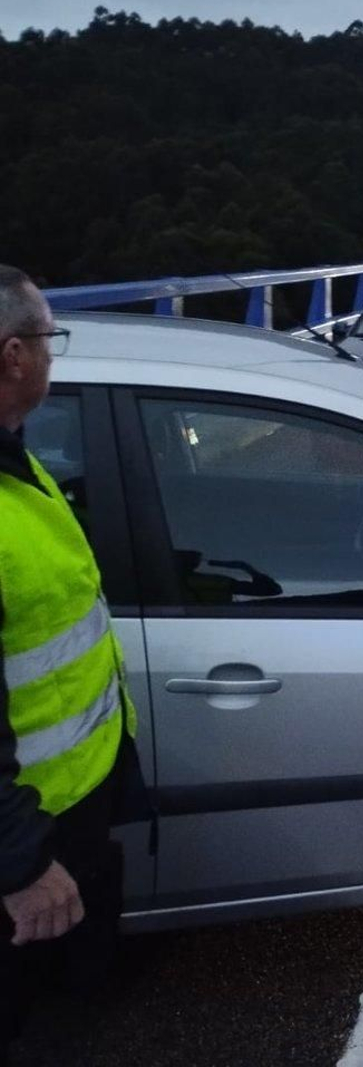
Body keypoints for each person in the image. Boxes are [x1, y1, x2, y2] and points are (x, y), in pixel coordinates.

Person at [0, 265, 141, 1043]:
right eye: (51, 337)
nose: (56, 353)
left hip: (68, 814)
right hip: (31, 842)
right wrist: (19, 864)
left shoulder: (15, 460)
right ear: (15, 354)